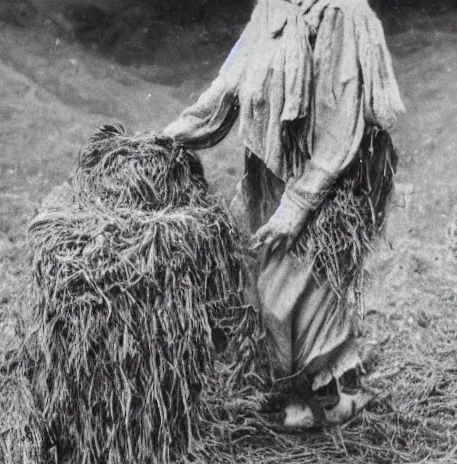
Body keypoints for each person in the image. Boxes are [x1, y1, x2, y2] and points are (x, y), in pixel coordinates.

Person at [163, 0, 404, 430]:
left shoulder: (340, 14)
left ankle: (335, 395)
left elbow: (339, 125)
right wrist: (168, 139)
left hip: (321, 182)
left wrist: (298, 207)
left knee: (297, 291)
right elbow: (227, 87)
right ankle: (294, 387)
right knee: (256, 283)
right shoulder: (274, 8)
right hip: (269, 178)